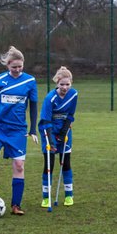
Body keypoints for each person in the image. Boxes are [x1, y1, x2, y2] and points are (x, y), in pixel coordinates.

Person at [0, 45, 39, 215]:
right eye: (14, 67)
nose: (17, 69)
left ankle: (16, 205)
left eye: (20, 66)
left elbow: (34, 106)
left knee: (19, 166)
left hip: (18, 130)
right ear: (7, 65)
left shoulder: (30, 81)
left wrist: (33, 130)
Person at [39, 66, 78, 207]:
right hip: (48, 131)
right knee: (49, 164)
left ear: (71, 83)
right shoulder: (50, 98)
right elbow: (46, 120)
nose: (65, 87)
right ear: (57, 82)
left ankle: (69, 195)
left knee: (66, 163)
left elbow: (70, 116)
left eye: (67, 84)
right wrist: (51, 141)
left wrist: (63, 133)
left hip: (65, 132)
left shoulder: (73, 95)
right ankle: (46, 197)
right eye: (62, 84)